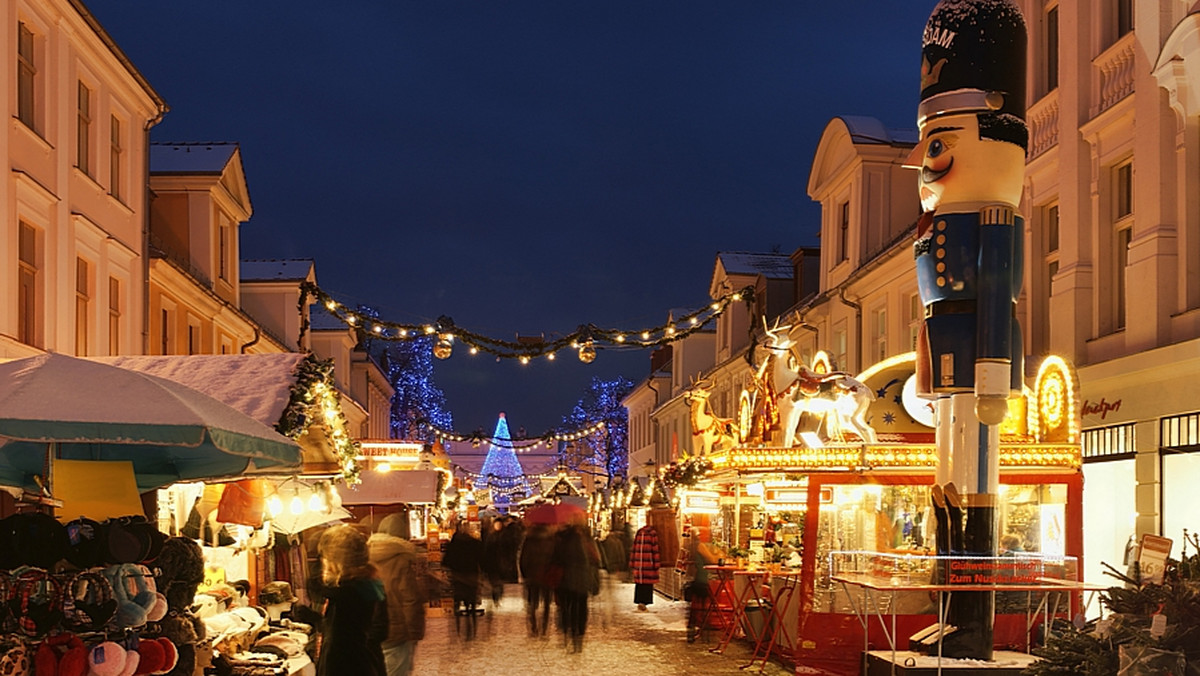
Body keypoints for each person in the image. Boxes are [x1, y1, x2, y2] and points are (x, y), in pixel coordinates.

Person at [316, 524, 388, 676]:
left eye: (326, 556)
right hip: (368, 666)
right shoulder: (366, 586)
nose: (323, 561)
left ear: (337, 560)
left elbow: (340, 644)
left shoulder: (347, 595)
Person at [368, 513, 426, 676]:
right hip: (396, 632)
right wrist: (414, 632)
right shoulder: (401, 560)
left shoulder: (365, 555)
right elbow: (410, 598)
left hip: (371, 629)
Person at [551, 520, 600, 653]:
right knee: (581, 609)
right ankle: (578, 637)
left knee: (567, 609)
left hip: (565, 581)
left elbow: (554, 560)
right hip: (582, 581)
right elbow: (596, 560)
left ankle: (569, 634)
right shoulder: (586, 541)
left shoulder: (560, 540)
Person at [441, 521, 485, 638]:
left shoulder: (453, 545)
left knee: (457, 601)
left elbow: (446, 561)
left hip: (458, 577)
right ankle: (472, 627)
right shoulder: (475, 544)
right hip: (472, 576)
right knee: (471, 602)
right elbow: (483, 560)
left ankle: (457, 627)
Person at [519, 522, 556, 637]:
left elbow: (523, 559)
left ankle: (533, 626)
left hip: (532, 575)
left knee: (532, 602)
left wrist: (525, 574)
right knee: (546, 604)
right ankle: (544, 627)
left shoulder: (529, 540)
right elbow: (555, 558)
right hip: (547, 576)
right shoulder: (551, 540)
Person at [685, 528, 721, 643]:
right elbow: (714, 559)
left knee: (697, 606)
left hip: (701, 580)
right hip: (703, 580)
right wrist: (717, 554)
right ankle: (701, 628)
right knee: (702, 605)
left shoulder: (700, 545)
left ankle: (695, 627)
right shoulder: (701, 546)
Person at [629, 524, 660, 611]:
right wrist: (656, 564)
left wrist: (632, 562)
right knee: (647, 585)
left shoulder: (639, 532)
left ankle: (640, 602)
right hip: (648, 565)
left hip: (638, 564)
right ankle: (644, 603)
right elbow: (655, 550)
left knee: (640, 584)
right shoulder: (652, 533)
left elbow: (634, 549)